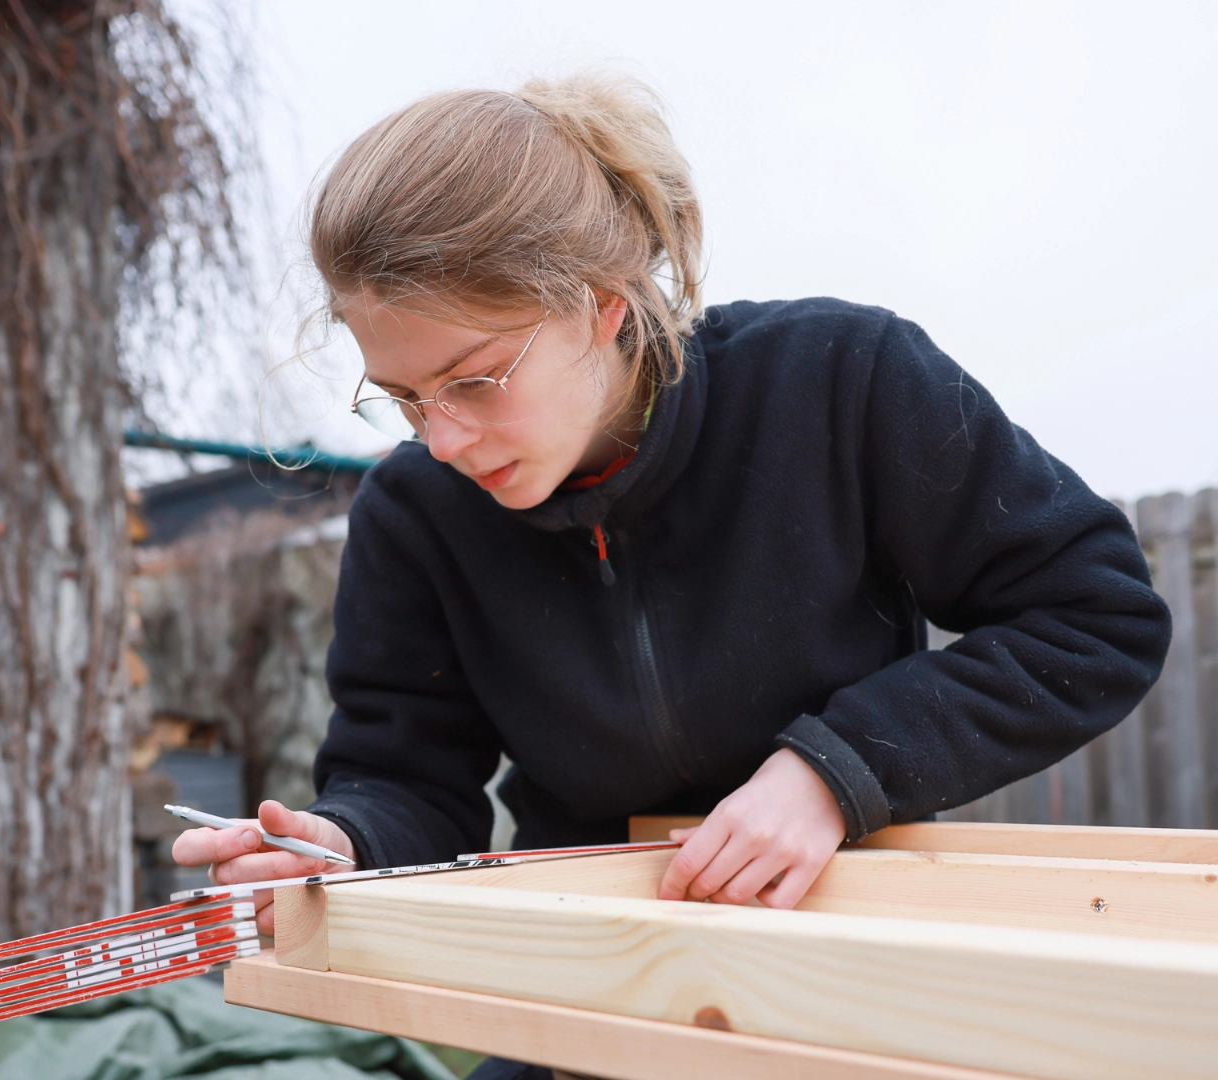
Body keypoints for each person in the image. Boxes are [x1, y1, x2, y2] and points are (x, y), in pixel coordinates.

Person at [174, 74, 1170, 1080]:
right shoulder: (413, 516)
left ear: (601, 307)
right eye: (402, 396)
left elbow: (1094, 616)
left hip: (844, 972)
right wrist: (343, 847)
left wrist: (834, 774)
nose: (442, 439)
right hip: (589, 988)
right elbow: (409, 784)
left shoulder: (838, 380)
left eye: (473, 381)